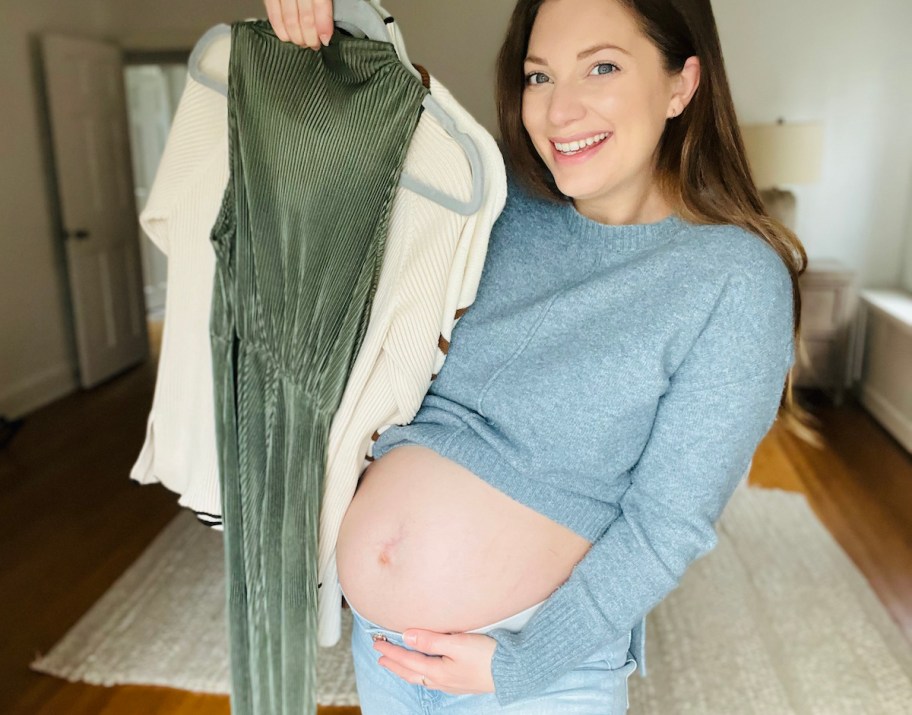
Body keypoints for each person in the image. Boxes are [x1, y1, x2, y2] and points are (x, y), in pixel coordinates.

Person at [262, 0, 811, 712]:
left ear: (681, 84)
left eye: (602, 68)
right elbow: (338, 157)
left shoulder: (733, 279)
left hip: (530, 674)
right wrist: (320, 22)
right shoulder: (494, 198)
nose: (559, 111)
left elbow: (665, 525)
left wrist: (525, 664)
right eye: (539, 76)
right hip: (384, 648)